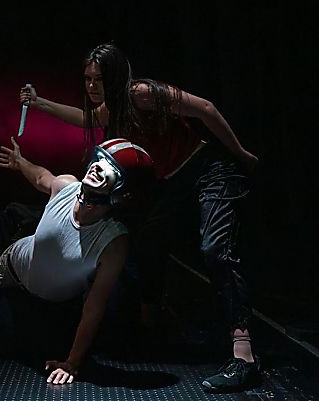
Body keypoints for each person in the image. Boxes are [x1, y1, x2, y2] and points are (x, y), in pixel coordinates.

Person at [18, 43, 261, 393]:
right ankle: (150, 324)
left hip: (207, 168)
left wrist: (240, 153)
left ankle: (244, 355)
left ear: (116, 76)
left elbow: (205, 109)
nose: (92, 86)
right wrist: (39, 102)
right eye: (87, 79)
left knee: (215, 248)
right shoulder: (111, 109)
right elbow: (84, 118)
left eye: (99, 79)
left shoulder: (142, 94)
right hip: (172, 181)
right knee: (146, 240)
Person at [0, 136, 154, 385]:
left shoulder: (113, 243)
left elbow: (94, 306)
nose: (97, 167)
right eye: (99, 159)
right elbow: (42, 177)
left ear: (123, 192)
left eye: (110, 168)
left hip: (48, 304)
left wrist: (72, 363)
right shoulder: (66, 187)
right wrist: (20, 162)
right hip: (9, 267)